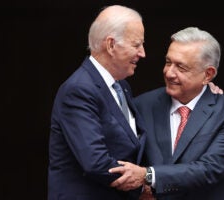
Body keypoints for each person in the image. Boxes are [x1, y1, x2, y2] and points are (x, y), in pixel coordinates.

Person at [108, 27, 224, 200]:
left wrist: (148, 175)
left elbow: (210, 169)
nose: (169, 73)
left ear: (208, 75)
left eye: (181, 67)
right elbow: (124, 159)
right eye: (168, 62)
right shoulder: (142, 105)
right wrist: (140, 191)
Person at [47, 5, 148, 200]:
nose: (143, 53)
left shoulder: (122, 86)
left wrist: (203, 92)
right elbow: (96, 162)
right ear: (111, 45)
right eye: (136, 45)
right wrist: (143, 186)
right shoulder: (79, 89)